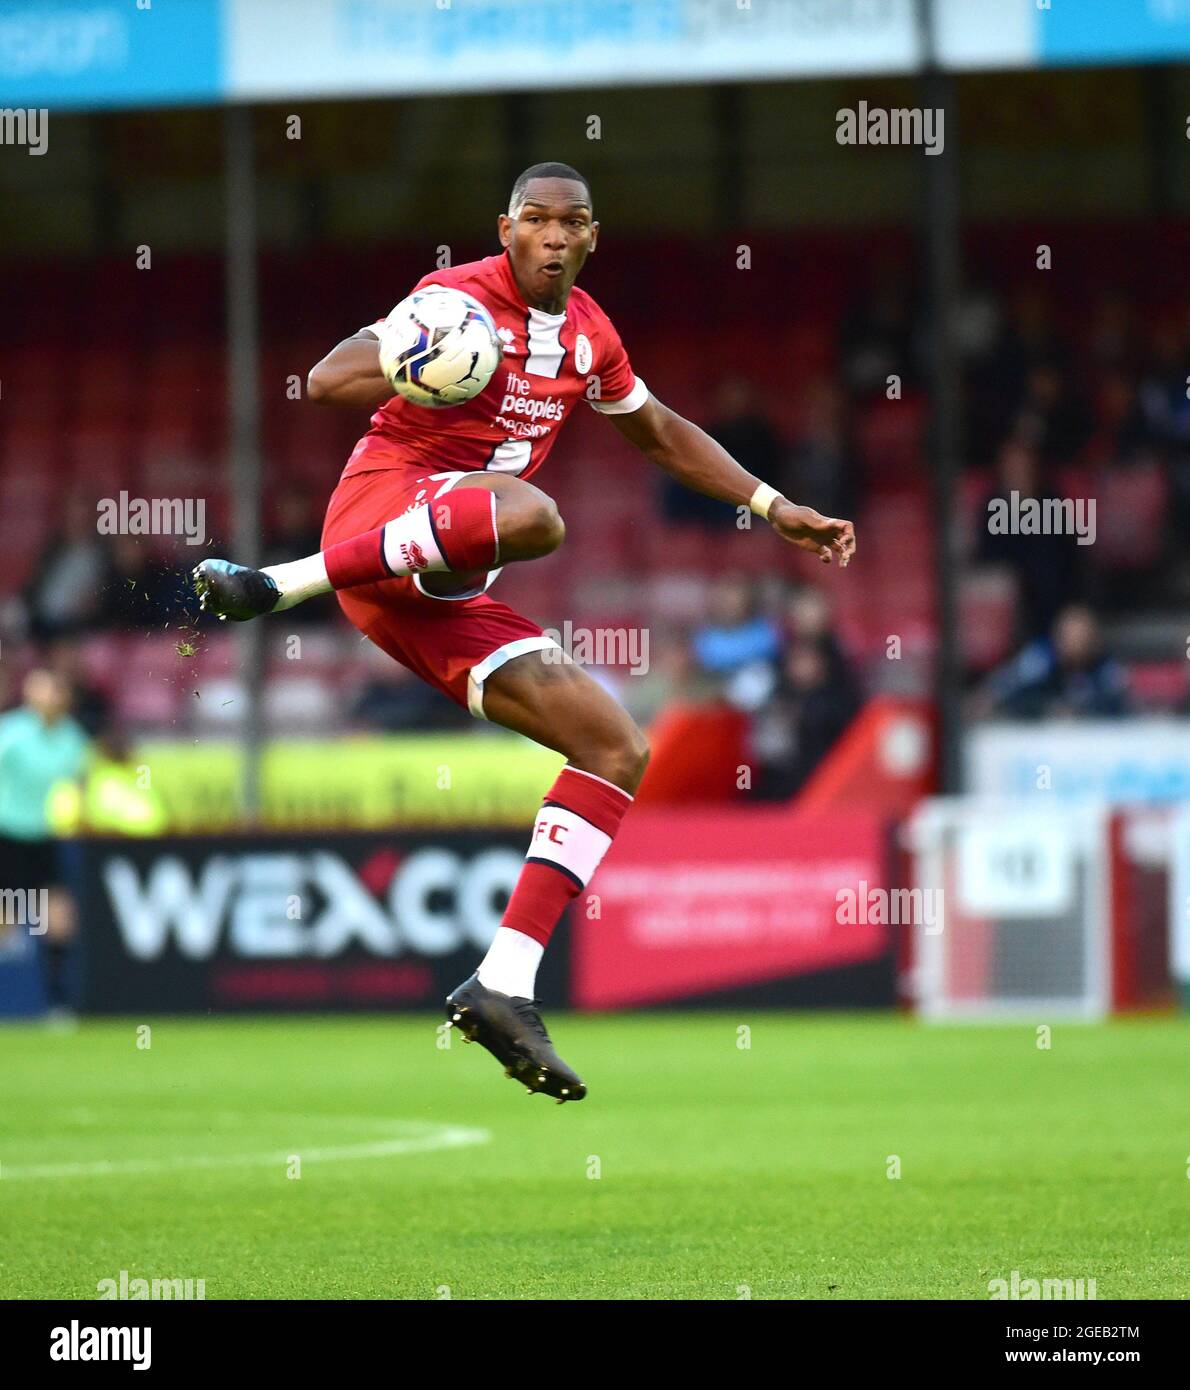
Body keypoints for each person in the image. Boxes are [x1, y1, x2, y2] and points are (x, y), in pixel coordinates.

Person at [193, 162, 856, 1102]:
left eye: (572, 222)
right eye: (536, 219)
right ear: (506, 229)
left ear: (592, 238)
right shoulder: (451, 297)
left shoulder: (591, 337)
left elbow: (660, 430)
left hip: (443, 588)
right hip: (376, 524)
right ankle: (276, 582)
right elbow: (323, 380)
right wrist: (419, 355)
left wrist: (771, 502)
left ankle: (502, 983)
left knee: (616, 743)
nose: (553, 235)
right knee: (540, 517)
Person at [0, 670, 90, 1015]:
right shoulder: (12, 733)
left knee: (59, 918)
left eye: (55, 690)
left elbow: (79, 784)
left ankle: (57, 1001)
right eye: (41, 690)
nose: (49, 697)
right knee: (5, 924)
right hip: (6, 835)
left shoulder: (73, 738)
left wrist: (77, 813)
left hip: (44, 838)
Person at [982, 604, 1130, 720]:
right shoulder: (1038, 661)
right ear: (1057, 638)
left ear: (1093, 640)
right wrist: (1049, 709)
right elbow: (1010, 694)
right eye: (1068, 637)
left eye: (1081, 638)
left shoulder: (1107, 669)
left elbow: (1119, 706)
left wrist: (1081, 712)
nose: (1074, 644)